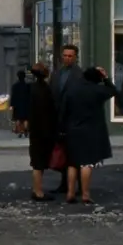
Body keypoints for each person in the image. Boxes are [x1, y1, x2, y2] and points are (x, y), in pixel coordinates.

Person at [62, 66, 117, 205]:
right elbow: (113, 91)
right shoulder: (97, 90)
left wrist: (62, 128)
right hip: (91, 130)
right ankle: (85, 194)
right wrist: (106, 78)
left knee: (72, 163)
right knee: (87, 163)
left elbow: (64, 111)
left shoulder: (72, 90)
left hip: (73, 130)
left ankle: (70, 193)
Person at [52, 44, 83, 194]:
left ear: (76, 57)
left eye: (70, 56)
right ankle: (64, 184)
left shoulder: (80, 75)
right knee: (63, 153)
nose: (67, 58)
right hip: (59, 118)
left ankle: (81, 186)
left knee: (77, 155)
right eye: (65, 55)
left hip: (74, 119)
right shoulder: (57, 73)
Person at [26, 63, 57, 201]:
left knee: (36, 161)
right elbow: (51, 110)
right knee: (39, 162)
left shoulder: (31, 89)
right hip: (45, 129)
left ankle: (36, 189)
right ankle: (38, 191)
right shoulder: (46, 90)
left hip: (35, 129)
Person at [9, 69, 30, 138]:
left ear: (18, 76)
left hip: (17, 105)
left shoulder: (15, 86)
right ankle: (26, 129)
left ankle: (20, 131)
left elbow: (13, 96)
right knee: (26, 119)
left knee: (18, 119)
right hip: (26, 104)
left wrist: (11, 105)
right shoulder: (28, 85)